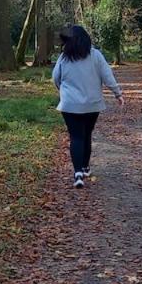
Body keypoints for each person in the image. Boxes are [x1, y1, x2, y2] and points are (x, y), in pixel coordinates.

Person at [51, 25, 123, 189]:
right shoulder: (96, 55)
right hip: (92, 104)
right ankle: (85, 167)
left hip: (69, 104)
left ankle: (77, 174)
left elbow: (56, 77)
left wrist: (62, 91)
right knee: (87, 135)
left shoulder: (64, 57)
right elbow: (107, 76)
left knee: (76, 137)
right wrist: (117, 93)